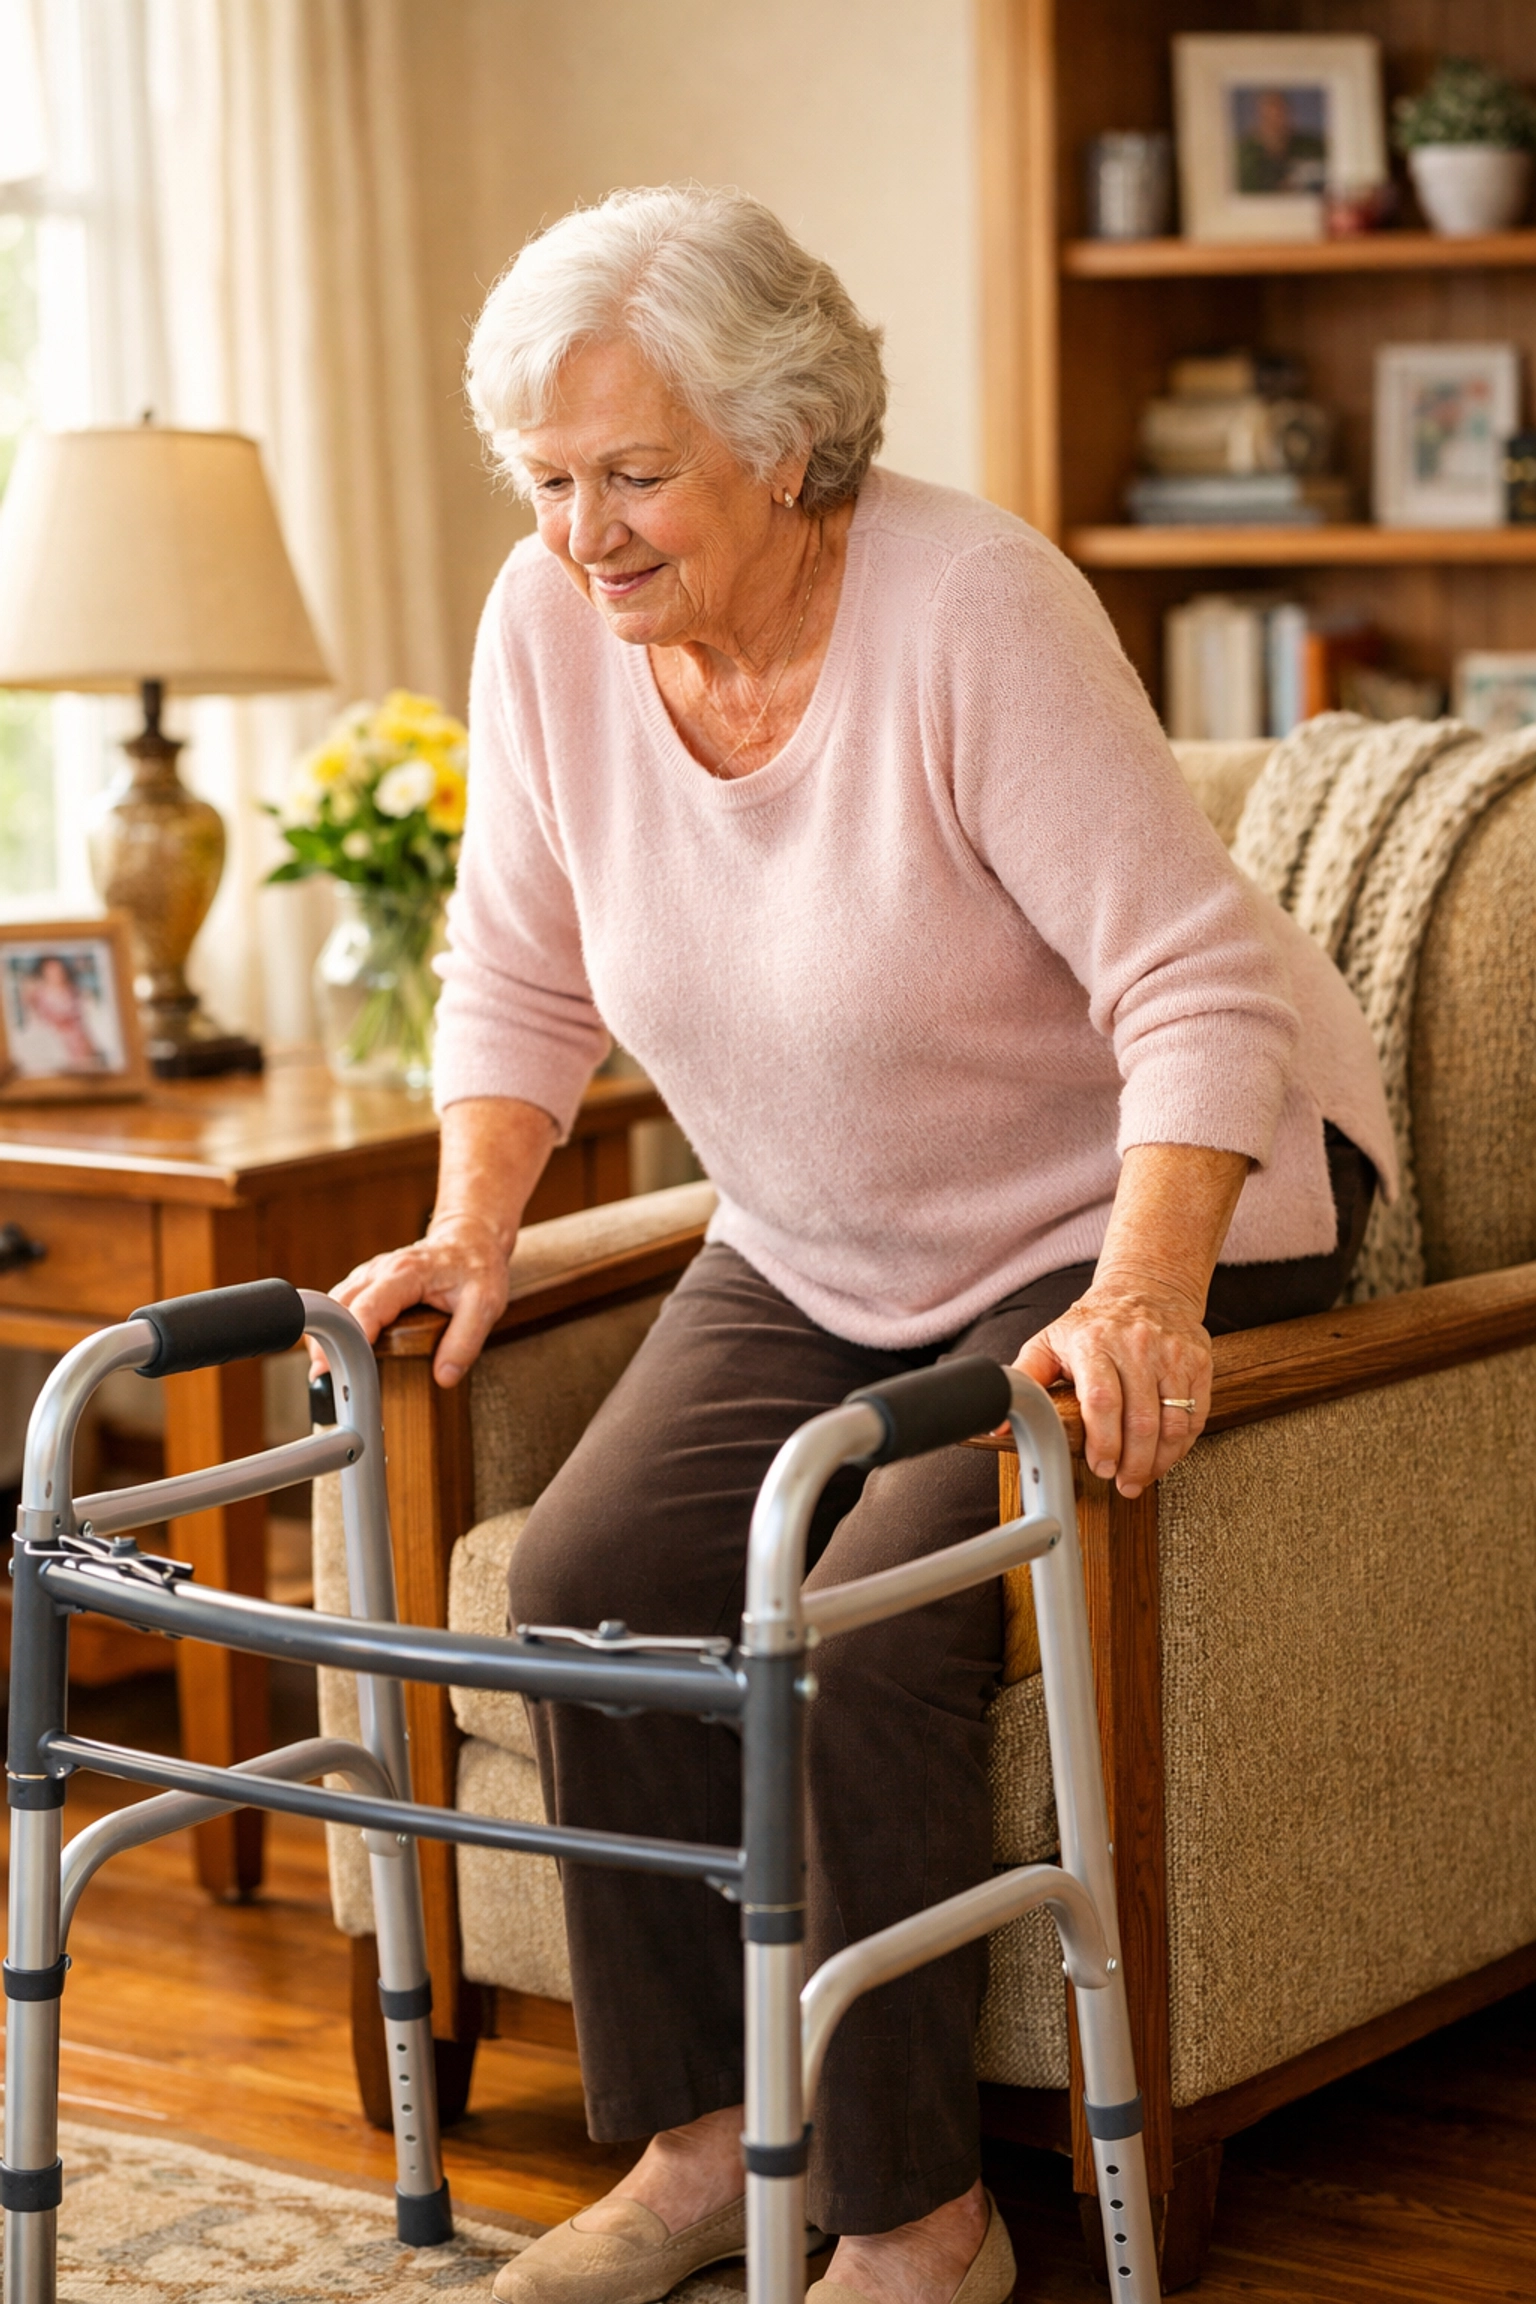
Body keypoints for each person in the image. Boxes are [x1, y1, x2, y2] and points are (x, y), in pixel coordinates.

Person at [334, 187, 1393, 2304]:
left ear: (790, 443)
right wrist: (472, 1225)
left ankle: (920, 2226)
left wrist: (1141, 1288)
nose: (583, 532)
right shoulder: (555, 629)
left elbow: (1202, 997)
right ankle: (709, 2148)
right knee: (591, 1582)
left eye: (635, 474)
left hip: (1149, 1192)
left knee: (873, 1603)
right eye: (547, 478)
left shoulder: (971, 610)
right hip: (819, 1229)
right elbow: (520, 976)